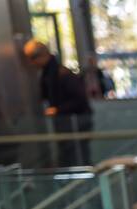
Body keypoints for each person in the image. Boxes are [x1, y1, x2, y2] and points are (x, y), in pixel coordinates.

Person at [23, 39, 93, 167]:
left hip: (74, 123)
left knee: (76, 157)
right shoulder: (50, 73)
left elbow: (80, 99)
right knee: (71, 157)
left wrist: (58, 110)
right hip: (68, 123)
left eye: (32, 59)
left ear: (40, 56)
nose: (31, 63)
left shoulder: (60, 73)